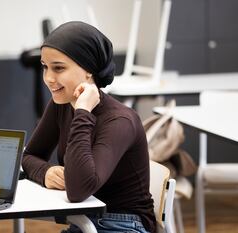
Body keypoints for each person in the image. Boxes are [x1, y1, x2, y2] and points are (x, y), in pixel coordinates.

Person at [22, 21, 156, 233]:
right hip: (84, 221)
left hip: (124, 225)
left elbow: (78, 190)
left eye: (59, 68)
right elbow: (29, 156)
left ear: (88, 70)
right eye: (45, 67)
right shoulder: (62, 104)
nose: (48, 78)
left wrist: (83, 111)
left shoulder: (120, 120)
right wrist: (45, 172)